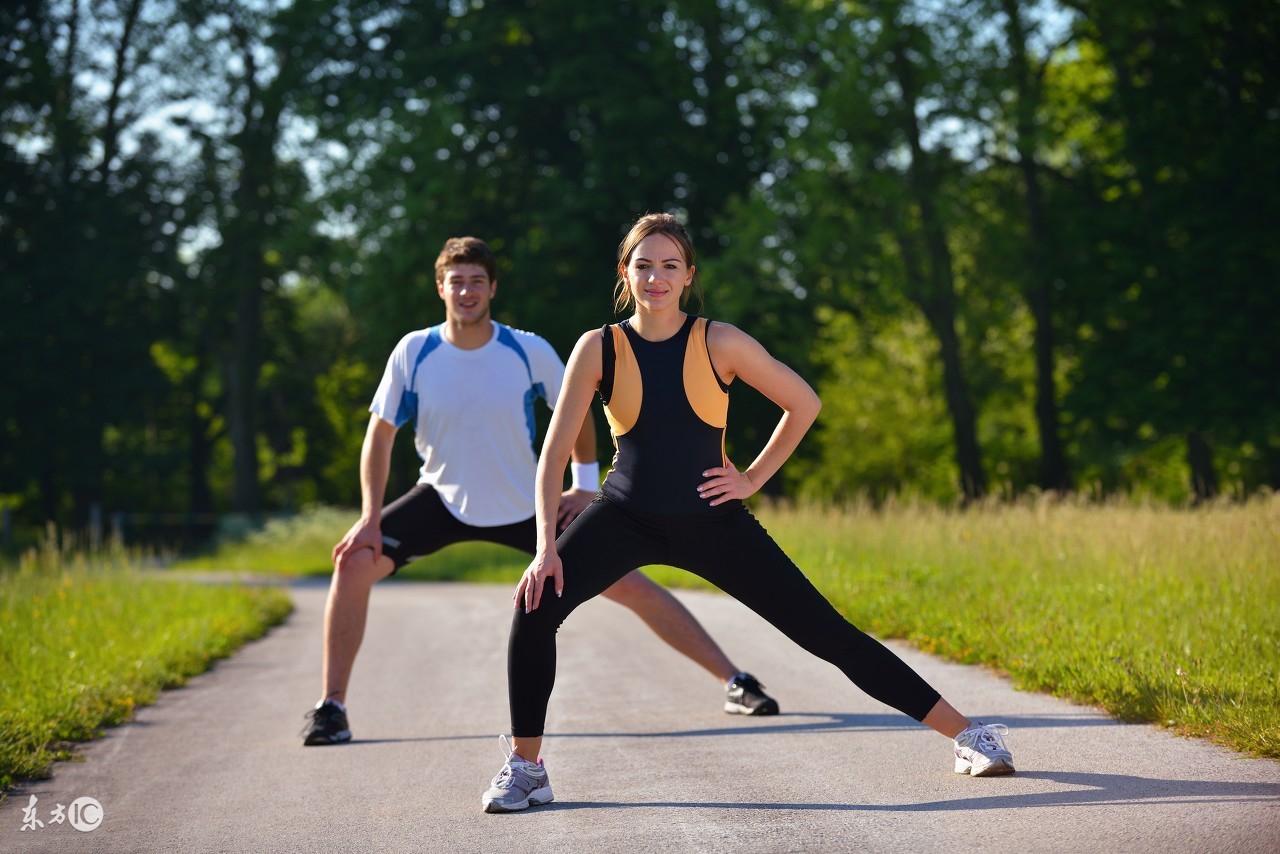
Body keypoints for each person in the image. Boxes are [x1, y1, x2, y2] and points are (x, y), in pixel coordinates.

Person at [480, 213, 1015, 813]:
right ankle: (527, 768)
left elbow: (803, 402)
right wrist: (545, 549)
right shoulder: (599, 347)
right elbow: (553, 451)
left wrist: (753, 477)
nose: (656, 277)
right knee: (533, 608)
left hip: (713, 519)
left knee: (828, 634)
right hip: (624, 514)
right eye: (644, 265)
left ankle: (971, 735)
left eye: (670, 266)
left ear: (688, 276)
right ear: (625, 275)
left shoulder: (719, 341)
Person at [301, 236, 779, 747]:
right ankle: (331, 708)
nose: (467, 291)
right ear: (441, 287)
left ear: (492, 289)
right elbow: (380, 436)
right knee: (353, 562)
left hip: (523, 502)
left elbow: (578, 415)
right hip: (441, 497)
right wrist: (370, 516)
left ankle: (735, 681)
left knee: (630, 584)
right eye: (456, 282)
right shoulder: (413, 352)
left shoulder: (527, 350)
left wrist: (583, 484)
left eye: (477, 282)